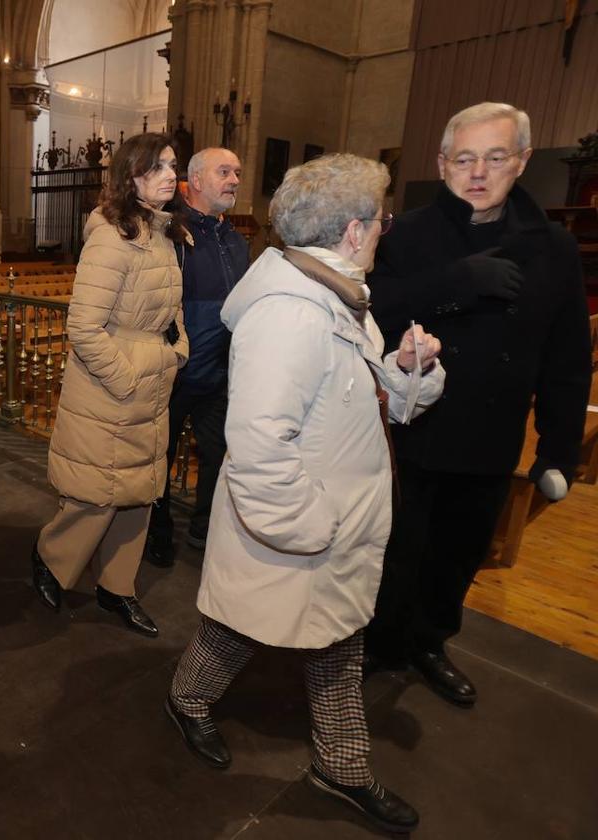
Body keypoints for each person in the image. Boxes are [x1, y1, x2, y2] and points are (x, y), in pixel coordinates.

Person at [166, 154, 444, 835]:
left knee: (334, 646)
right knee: (236, 632)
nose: (385, 230)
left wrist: (408, 371)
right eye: (380, 220)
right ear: (352, 231)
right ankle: (186, 700)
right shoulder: (291, 314)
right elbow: (259, 444)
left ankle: (342, 766)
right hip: (305, 525)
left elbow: (370, 399)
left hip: (335, 522)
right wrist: (313, 528)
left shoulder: (339, 294)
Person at [364, 102, 592, 705]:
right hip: (409, 432)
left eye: (495, 157)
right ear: (442, 165)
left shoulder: (553, 248)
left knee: (458, 556)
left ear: (521, 161)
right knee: (395, 553)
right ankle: (378, 646)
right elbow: (372, 315)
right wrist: (454, 284)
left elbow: (567, 359)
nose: (478, 172)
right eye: (464, 158)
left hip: (490, 434)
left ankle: (431, 644)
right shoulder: (405, 234)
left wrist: (558, 450)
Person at [30, 132, 189, 638]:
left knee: (140, 492)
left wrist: (177, 350)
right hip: (112, 388)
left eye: (172, 165)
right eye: (157, 167)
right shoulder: (112, 234)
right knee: (96, 493)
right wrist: (126, 379)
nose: (169, 174)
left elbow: (171, 312)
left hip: (150, 379)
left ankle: (117, 587)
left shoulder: (163, 232)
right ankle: (51, 560)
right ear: (130, 176)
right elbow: (83, 327)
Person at [144, 147, 249, 568]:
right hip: (176, 371)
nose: (235, 180)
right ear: (197, 180)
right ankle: (158, 530)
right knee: (160, 457)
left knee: (219, 455)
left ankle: (207, 526)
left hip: (222, 375)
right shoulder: (171, 233)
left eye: (238, 172)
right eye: (225, 172)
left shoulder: (238, 242)